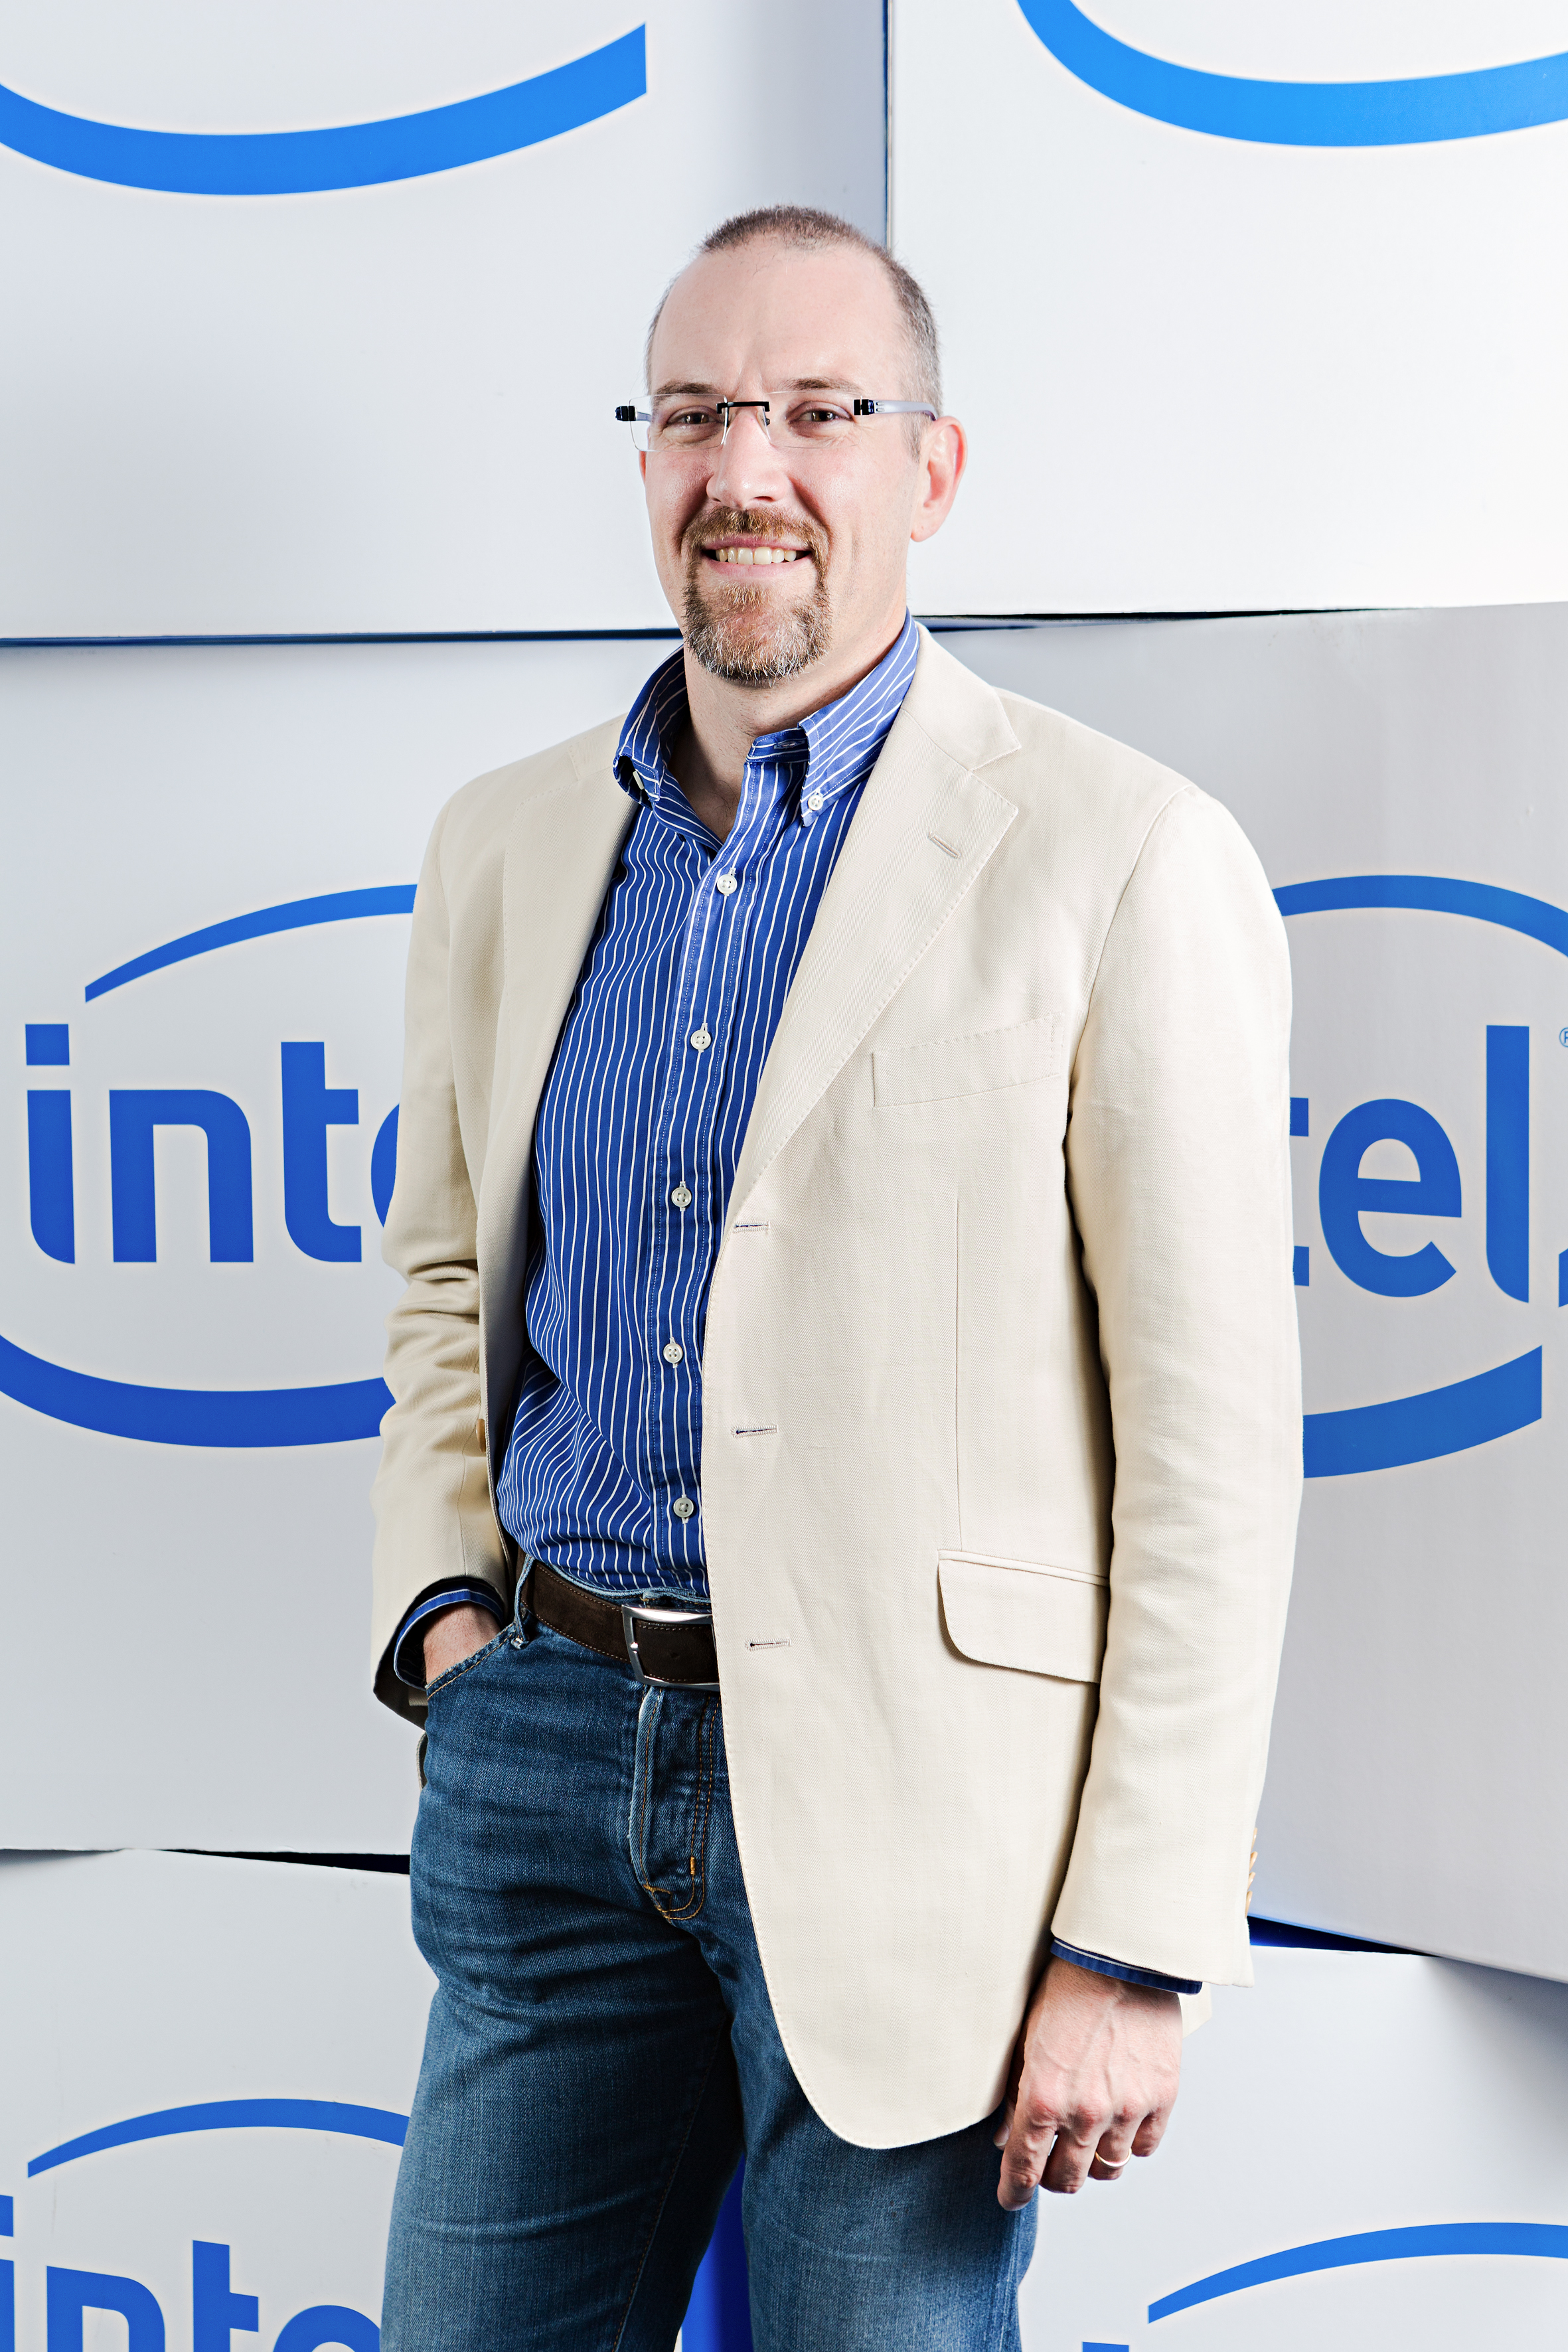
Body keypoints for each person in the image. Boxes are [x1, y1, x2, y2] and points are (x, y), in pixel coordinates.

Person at [370, 204, 1300, 2350]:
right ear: (646, 464)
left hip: (926, 1823)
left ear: (929, 468)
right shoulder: (503, 842)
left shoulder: (1118, 853)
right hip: (543, 1757)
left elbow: (1208, 1451)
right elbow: (439, 1280)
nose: (749, 471)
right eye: (697, 414)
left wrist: (1134, 1938)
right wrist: (445, 1625)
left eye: (816, 412)